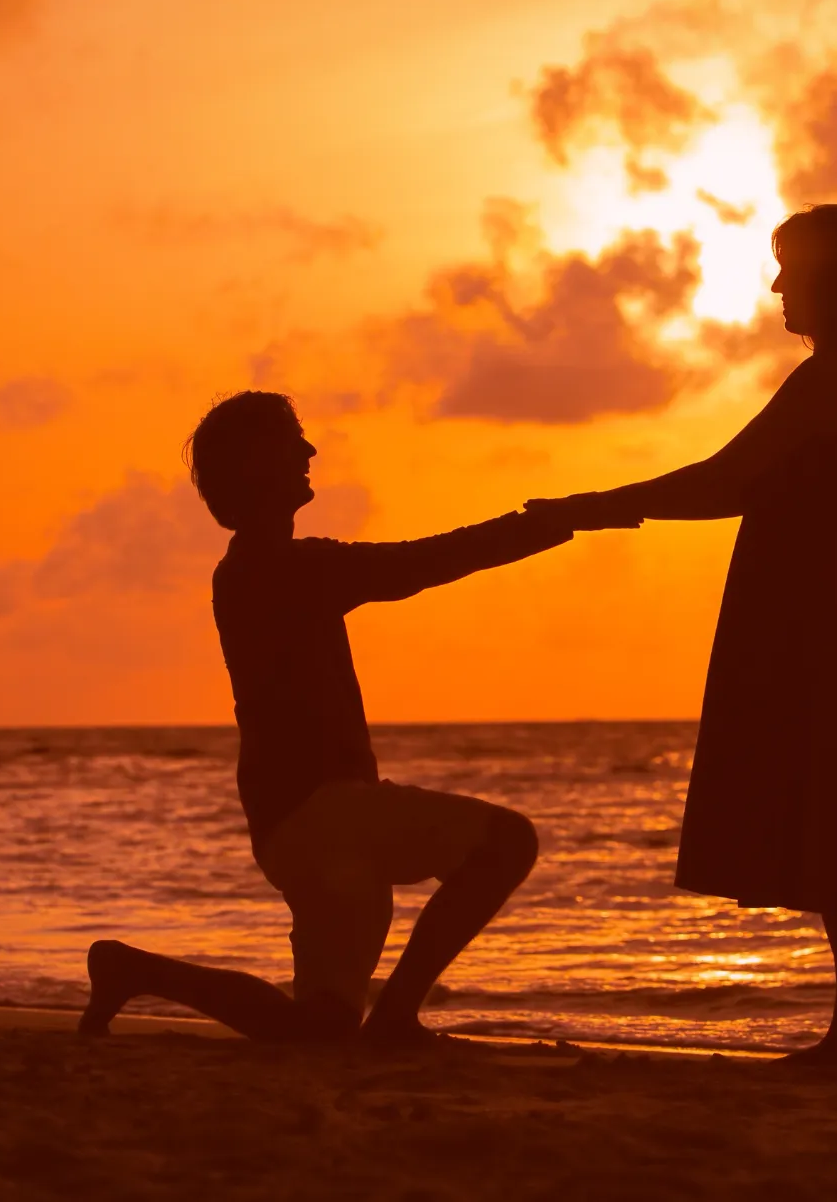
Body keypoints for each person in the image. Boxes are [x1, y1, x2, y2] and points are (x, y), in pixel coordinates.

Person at [529, 203, 837, 1070]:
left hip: (798, 603)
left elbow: (725, 480)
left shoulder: (832, 379)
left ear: (830, 278)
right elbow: (737, 484)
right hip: (806, 594)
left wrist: (592, 508)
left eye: (791, 268)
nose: (778, 285)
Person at [79, 391, 592, 1046]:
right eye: (292, 440)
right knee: (508, 841)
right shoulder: (281, 568)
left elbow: (413, 566)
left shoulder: (253, 569)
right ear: (257, 463)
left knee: (319, 1029)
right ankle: (397, 1017)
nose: (310, 450)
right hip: (325, 816)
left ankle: (135, 970)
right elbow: (422, 563)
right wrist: (551, 523)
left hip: (294, 826)